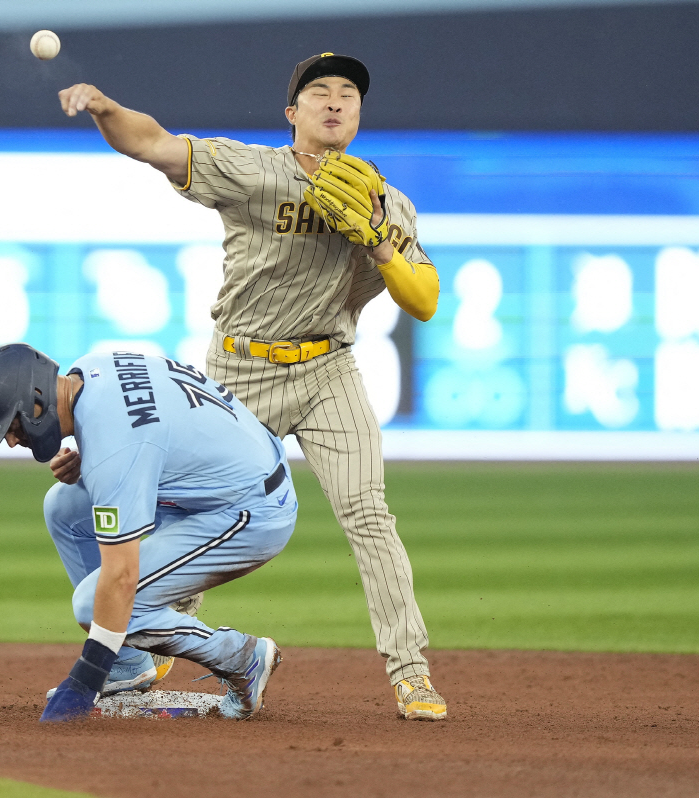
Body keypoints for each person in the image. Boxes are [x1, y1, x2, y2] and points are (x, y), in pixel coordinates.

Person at [56, 52, 446, 720]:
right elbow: (153, 144)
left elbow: (426, 299)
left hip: (328, 371)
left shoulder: (389, 204)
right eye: (318, 92)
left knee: (370, 516)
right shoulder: (254, 171)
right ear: (291, 114)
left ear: (358, 112)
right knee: (187, 506)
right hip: (239, 371)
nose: (334, 101)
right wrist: (104, 108)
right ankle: (157, 640)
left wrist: (381, 242)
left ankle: (411, 672)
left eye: (348, 93)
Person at [0, 343, 296, 722]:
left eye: (11, 424)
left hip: (251, 512)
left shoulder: (113, 446)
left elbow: (121, 577)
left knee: (94, 604)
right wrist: (98, 461)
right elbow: (148, 426)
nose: (9, 440)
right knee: (64, 509)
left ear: (35, 399)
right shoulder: (89, 370)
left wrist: (85, 680)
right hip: (232, 471)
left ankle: (239, 656)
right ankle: (128, 662)